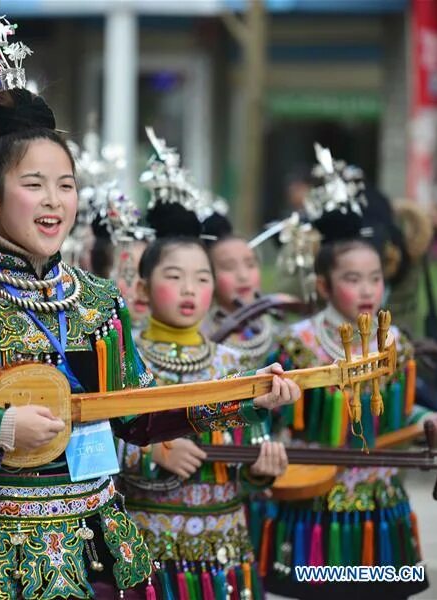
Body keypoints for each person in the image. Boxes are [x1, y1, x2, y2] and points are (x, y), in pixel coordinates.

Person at [0, 86, 299, 599]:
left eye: (66, 185)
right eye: (34, 184)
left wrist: (242, 395)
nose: (54, 200)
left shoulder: (98, 301)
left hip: (89, 547)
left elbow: (136, 416)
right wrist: (0, 427)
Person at [254, 145, 437, 600]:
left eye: (375, 277)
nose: (367, 289)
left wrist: (430, 421)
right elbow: (267, 416)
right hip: (311, 502)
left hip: (380, 507)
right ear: (323, 284)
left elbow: (401, 413)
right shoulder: (294, 343)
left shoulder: (393, 341)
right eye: (352, 278)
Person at [120, 197, 287, 600]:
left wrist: (262, 468)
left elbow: (253, 448)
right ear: (142, 287)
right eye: (174, 277)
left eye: (202, 278)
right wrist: (151, 454)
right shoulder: (125, 360)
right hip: (146, 538)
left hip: (222, 542)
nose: (190, 290)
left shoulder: (238, 362)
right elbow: (92, 440)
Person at [201, 212, 283, 371]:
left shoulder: (282, 335)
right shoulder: (201, 339)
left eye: (250, 264)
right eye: (228, 267)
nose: (243, 276)